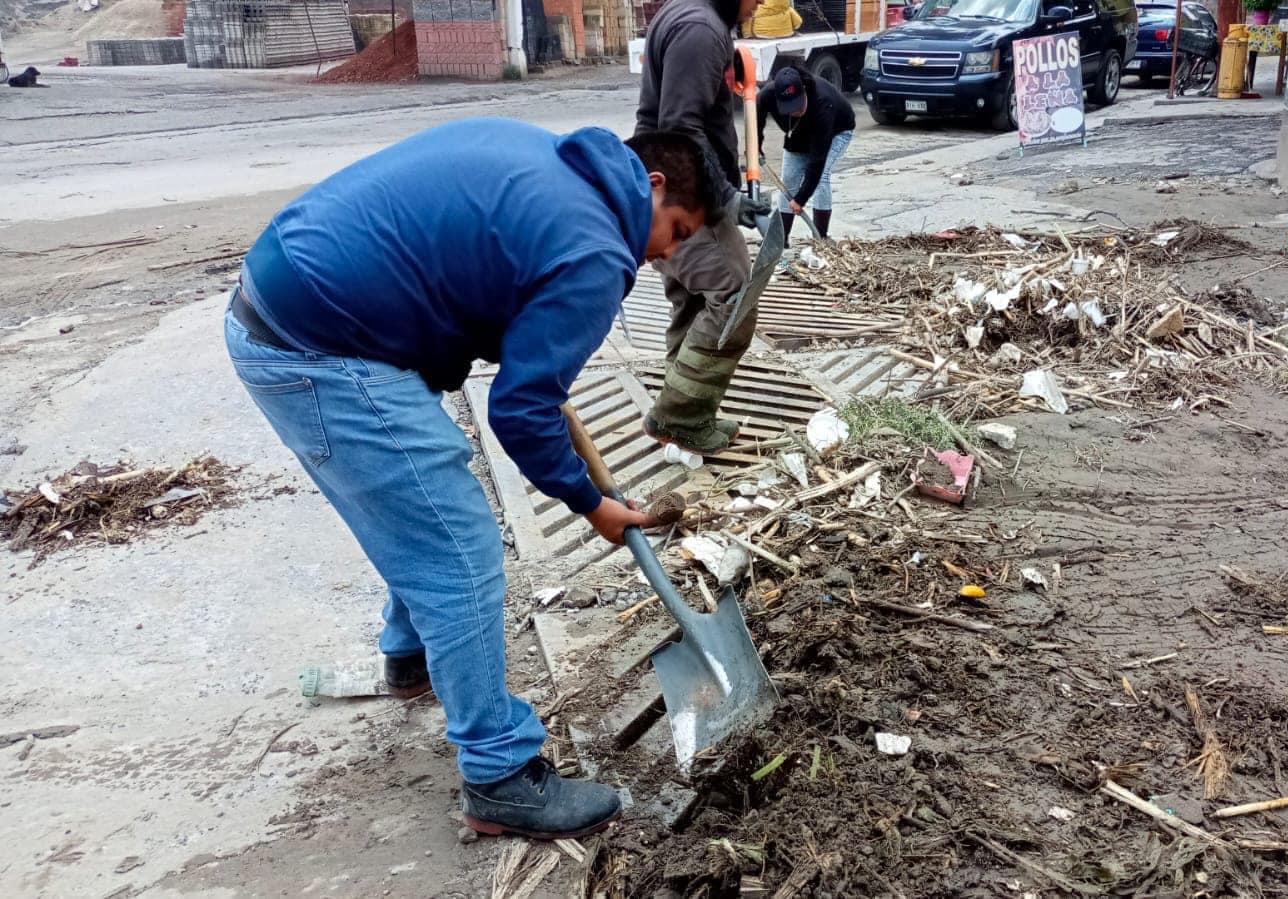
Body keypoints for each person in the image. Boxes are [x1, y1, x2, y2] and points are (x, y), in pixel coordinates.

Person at [223, 118, 718, 840]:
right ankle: (499, 777)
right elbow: (520, 411)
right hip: (318, 344)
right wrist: (590, 502)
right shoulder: (595, 252)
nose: (664, 256)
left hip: (286, 300)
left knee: (418, 503)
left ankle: (409, 657)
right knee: (459, 551)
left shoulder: (549, 160)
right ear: (653, 185)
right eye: (675, 231)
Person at [635, 0, 762, 455]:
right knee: (733, 297)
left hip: (665, 185)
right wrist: (725, 196)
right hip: (685, 196)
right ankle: (679, 417)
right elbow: (679, 125)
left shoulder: (688, 15)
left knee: (691, 306)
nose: (762, 2)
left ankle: (682, 419)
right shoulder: (700, 29)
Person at [757, 65, 855, 246]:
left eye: (798, 104)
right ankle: (780, 239)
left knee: (822, 177)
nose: (796, 111)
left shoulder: (823, 104)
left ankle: (821, 238)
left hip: (836, 132)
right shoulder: (767, 95)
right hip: (797, 134)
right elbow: (756, 122)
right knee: (789, 181)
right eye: (789, 108)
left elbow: (817, 160)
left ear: (804, 90)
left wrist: (801, 198)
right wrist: (756, 147)